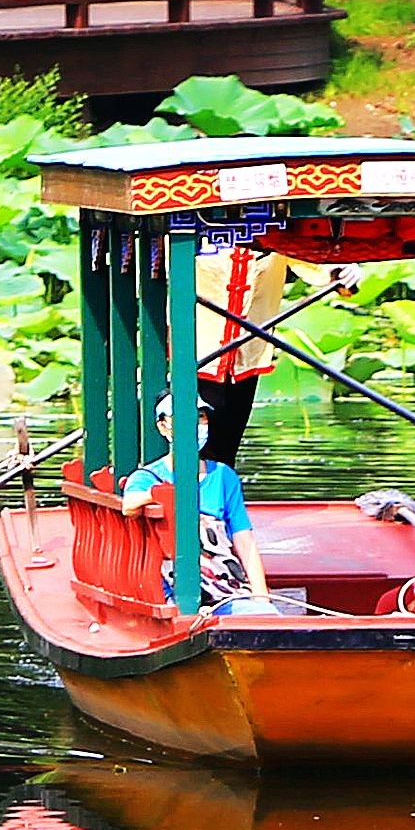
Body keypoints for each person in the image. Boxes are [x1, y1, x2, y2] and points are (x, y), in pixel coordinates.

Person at [120, 438, 272, 607]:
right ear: (162, 427)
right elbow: (129, 505)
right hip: (174, 584)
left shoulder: (223, 475)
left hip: (222, 579)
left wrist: (261, 596)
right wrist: (159, 495)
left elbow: (244, 539)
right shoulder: (146, 477)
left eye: (202, 417)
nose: (197, 425)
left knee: (258, 611)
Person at [194, 242, 286, 463]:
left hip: (247, 353)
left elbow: (309, 258)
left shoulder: (274, 230)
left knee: (225, 447)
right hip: (196, 351)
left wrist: (338, 270)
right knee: (192, 439)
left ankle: (220, 491)